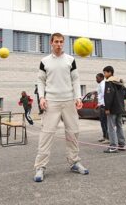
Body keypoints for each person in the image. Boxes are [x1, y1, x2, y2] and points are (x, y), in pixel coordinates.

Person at [33, 33, 89, 182]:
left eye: (61, 42)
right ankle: (40, 167)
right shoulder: (44, 61)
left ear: (63, 43)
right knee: (46, 134)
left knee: (73, 132)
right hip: (51, 101)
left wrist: (78, 97)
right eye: (56, 41)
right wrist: (41, 97)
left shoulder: (71, 60)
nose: (58, 44)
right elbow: (40, 81)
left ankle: (74, 162)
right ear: (51, 43)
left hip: (69, 101)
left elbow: (76, 80)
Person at [103, 66, 126, 153]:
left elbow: (108, 96)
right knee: (119, 126)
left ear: (110, 72)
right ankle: (122, 144)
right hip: (120, 108)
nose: (104, 75)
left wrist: (107, 108)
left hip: (112, 109)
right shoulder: (119, 82)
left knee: (111, 127)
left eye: (105, 72)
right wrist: (119, 99)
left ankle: (113, 146)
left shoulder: (109, 82)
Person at [95, 73, 108, 144]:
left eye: (97, 78)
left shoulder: (103, 84)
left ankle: (107, 137)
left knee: (105, 122)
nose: (96, 79)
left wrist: (103, 105)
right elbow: (99, 95)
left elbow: (104, 95)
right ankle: (104, 136)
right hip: (101, 105)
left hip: (104, 106)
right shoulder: (100, 84)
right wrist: (98, 104)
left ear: (101, 78)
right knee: (102, 122)